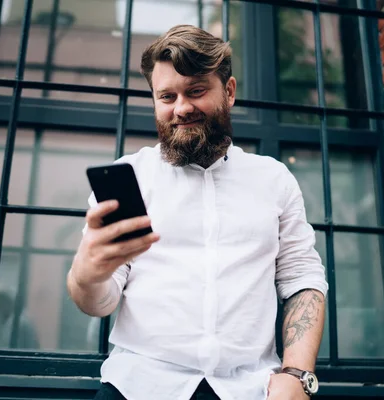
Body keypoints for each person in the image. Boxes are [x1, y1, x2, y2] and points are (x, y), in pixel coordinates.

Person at [68, 25, 328, 400]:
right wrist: (86, 276)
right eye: (167, 96)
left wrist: (297, 375)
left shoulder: (274, 179)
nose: (182, 108)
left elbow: (302, 277)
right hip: (137, 387)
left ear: (230, 91)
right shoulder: (131, 178)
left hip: (250, 390)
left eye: (196, 91)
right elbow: (101, 301)